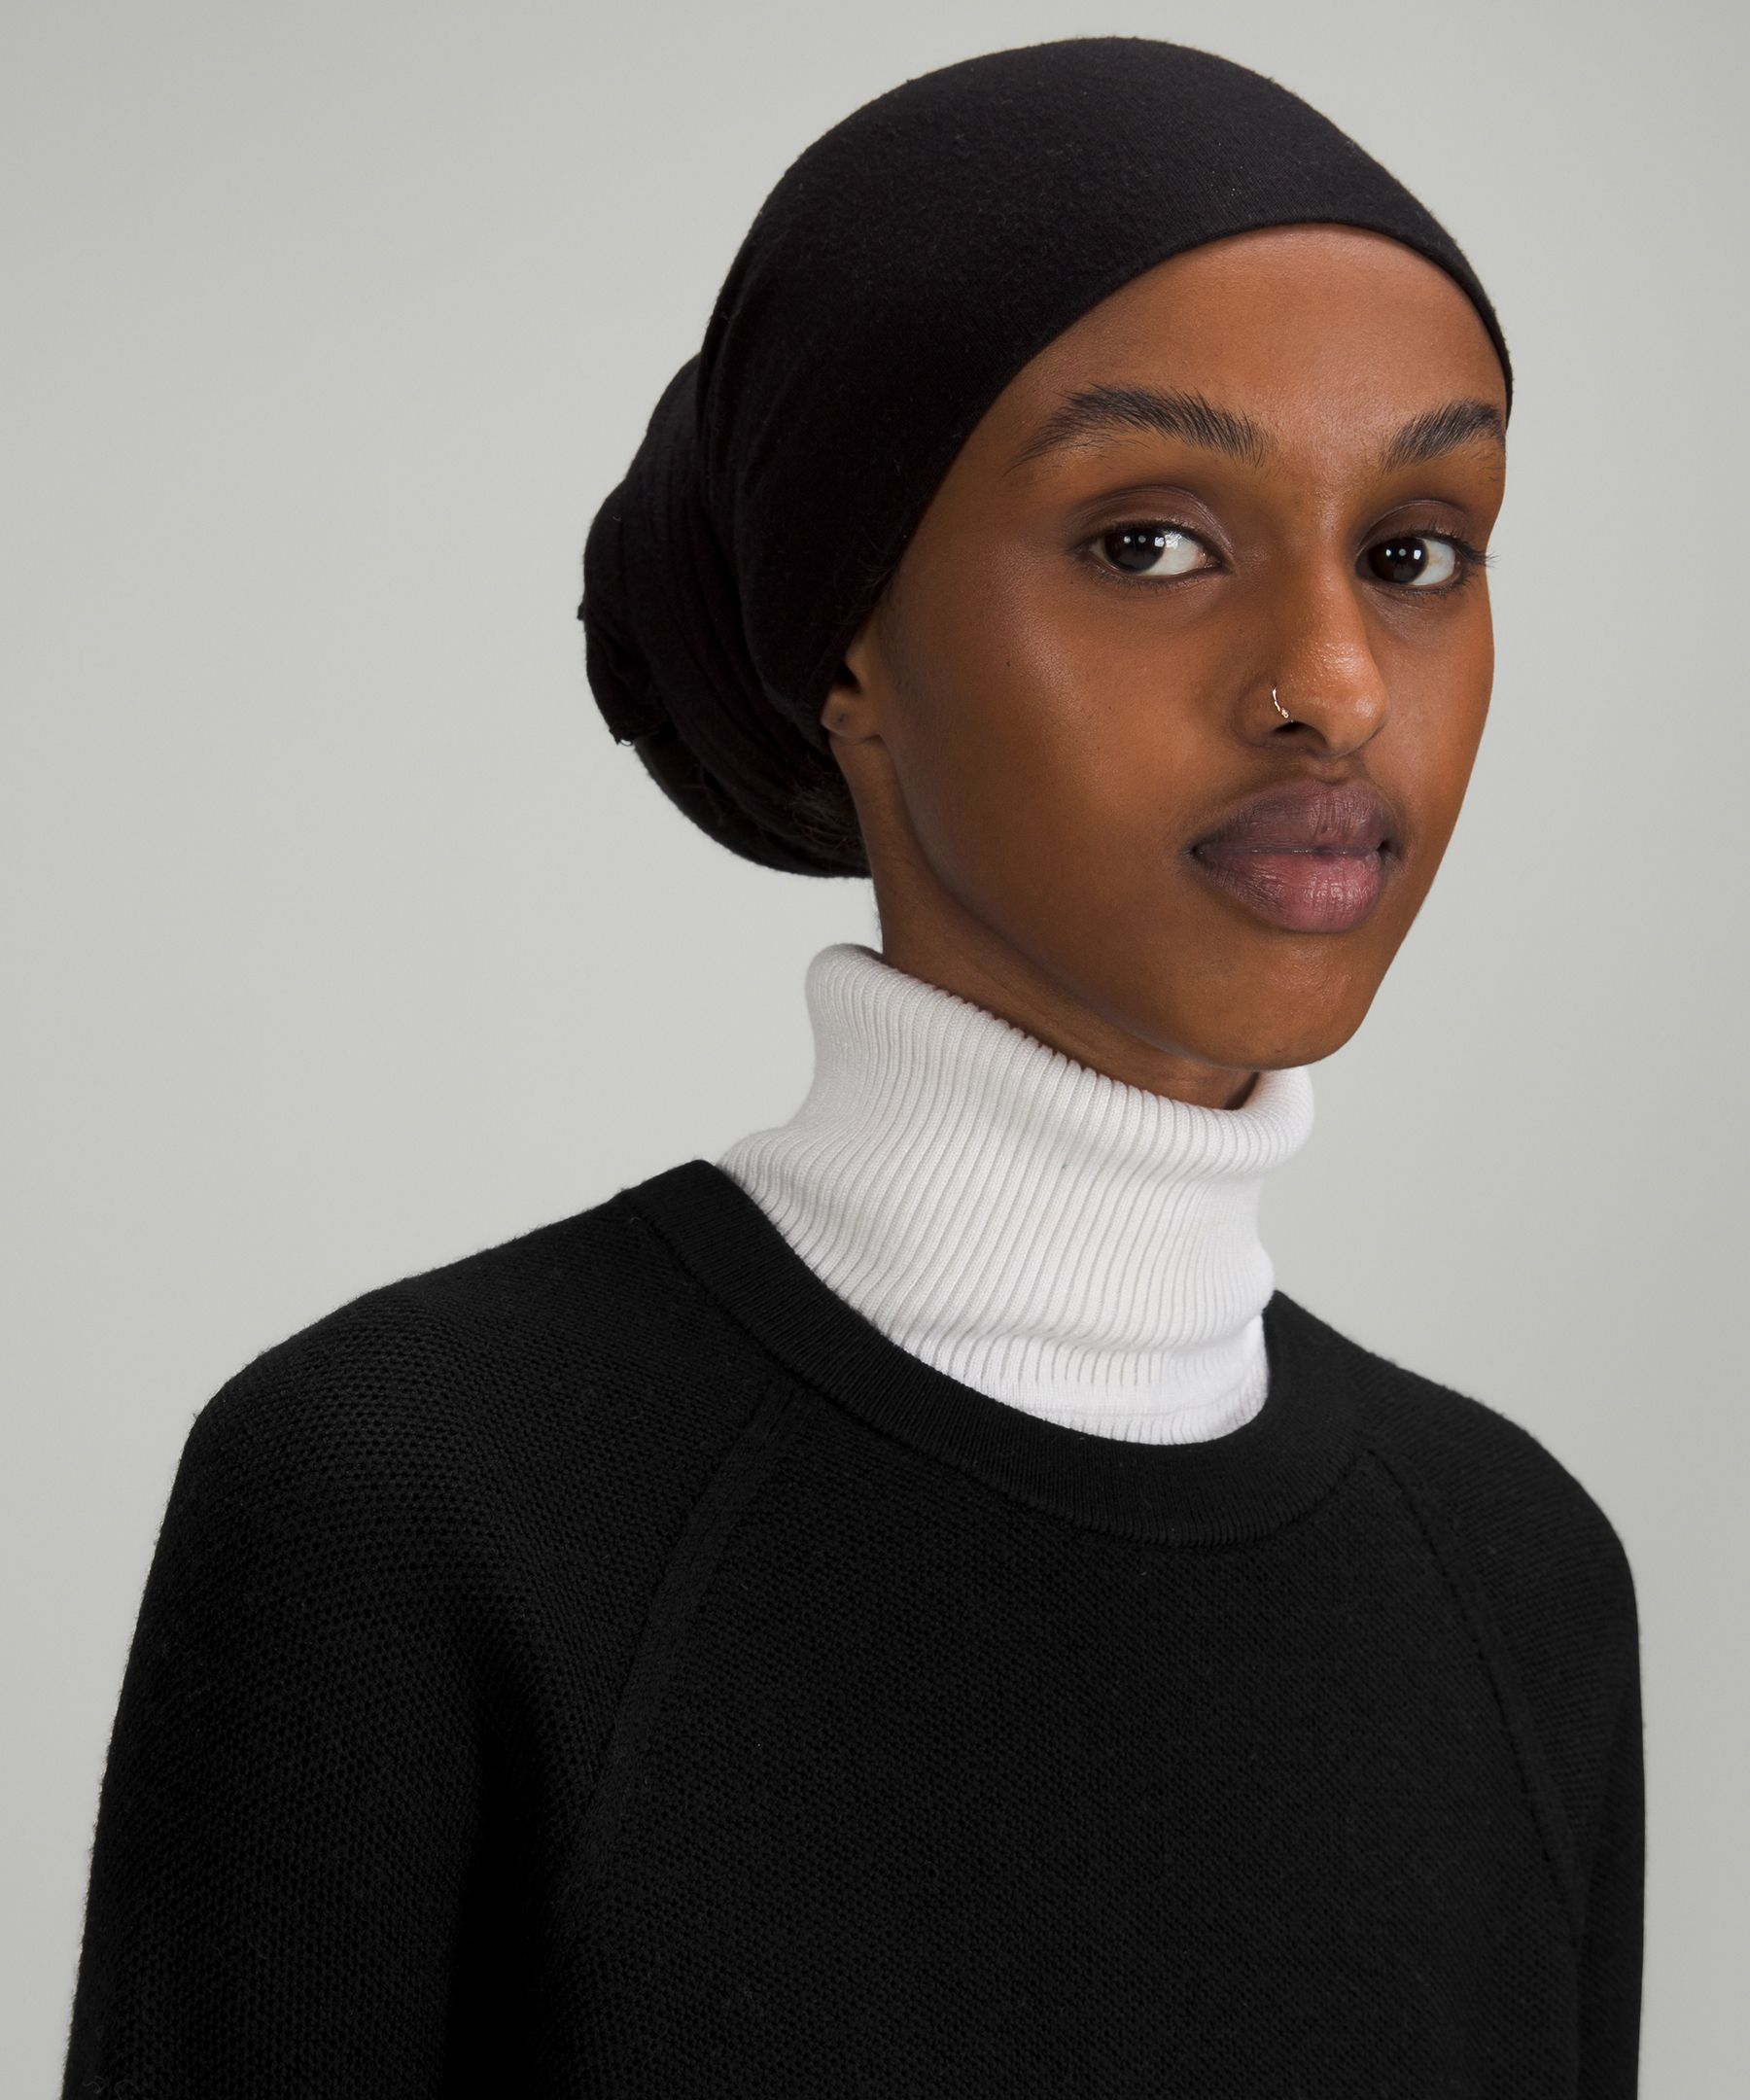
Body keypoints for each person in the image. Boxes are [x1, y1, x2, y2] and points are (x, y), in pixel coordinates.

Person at [60, 36, 1644, 2096]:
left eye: (1416, 550)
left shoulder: (1519, 1580)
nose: (1335, 686)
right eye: (1150, 541)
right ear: (846, 644)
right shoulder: (412, 1509)